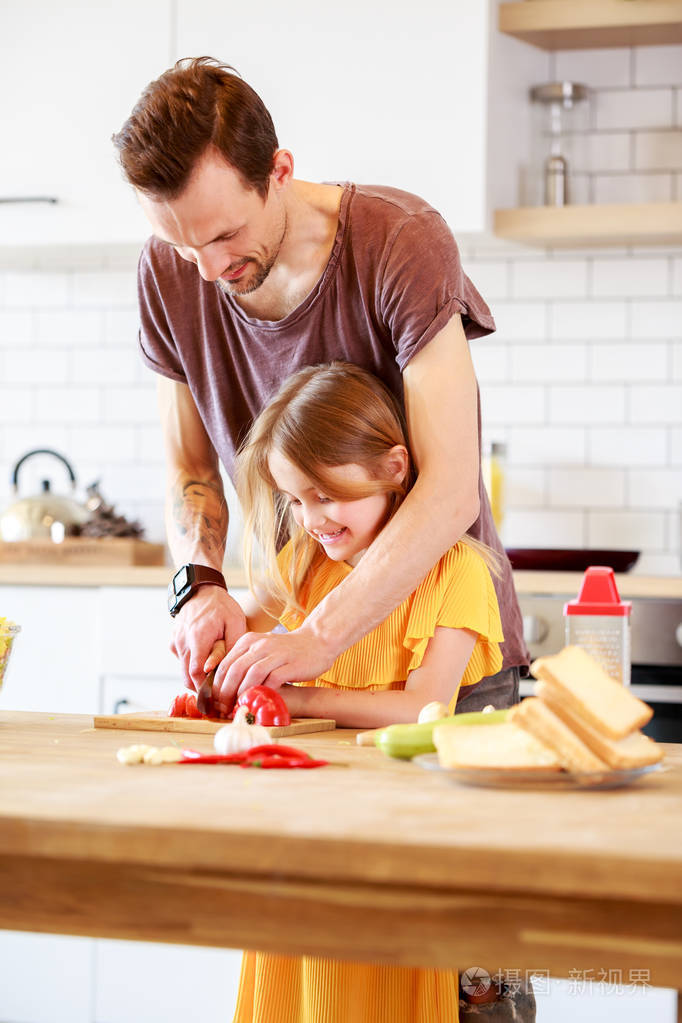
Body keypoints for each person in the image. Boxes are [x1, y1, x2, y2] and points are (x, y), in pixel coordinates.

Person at [111, 56, 529, 710]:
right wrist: (200, 586)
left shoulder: (398, 240)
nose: (209, 269)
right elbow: (190, 465)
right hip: (314, 671)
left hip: (442, 669)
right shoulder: (165, 275)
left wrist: (318, 636)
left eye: (226, 235)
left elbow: (451, 492)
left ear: (279, 171)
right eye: (184, 246)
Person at [225, 360, 503, 1021]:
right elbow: (242, 645)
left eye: (324, 494)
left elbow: (423, 708)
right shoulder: (302, 565)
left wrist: (303, 699)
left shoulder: (457, 571)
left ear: (393, 466)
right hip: (302, 839)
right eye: (294, 498)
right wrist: (219, 648)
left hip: (402, 842)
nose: (310, 517)